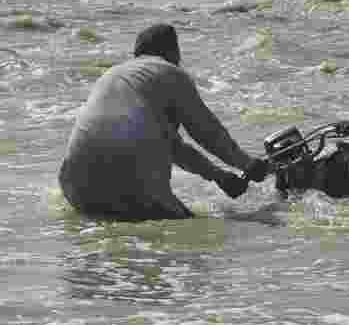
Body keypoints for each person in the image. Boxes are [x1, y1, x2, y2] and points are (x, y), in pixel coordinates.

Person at [59, 23, 269, 220]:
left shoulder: (113, 75)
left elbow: (171, 146)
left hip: (76, 185)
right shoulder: (170, 72)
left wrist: (219, 176)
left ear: (136, 53)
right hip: (131, 180)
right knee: (197, 235)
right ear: (173, 52)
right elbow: (208, 133)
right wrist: (247, 164)